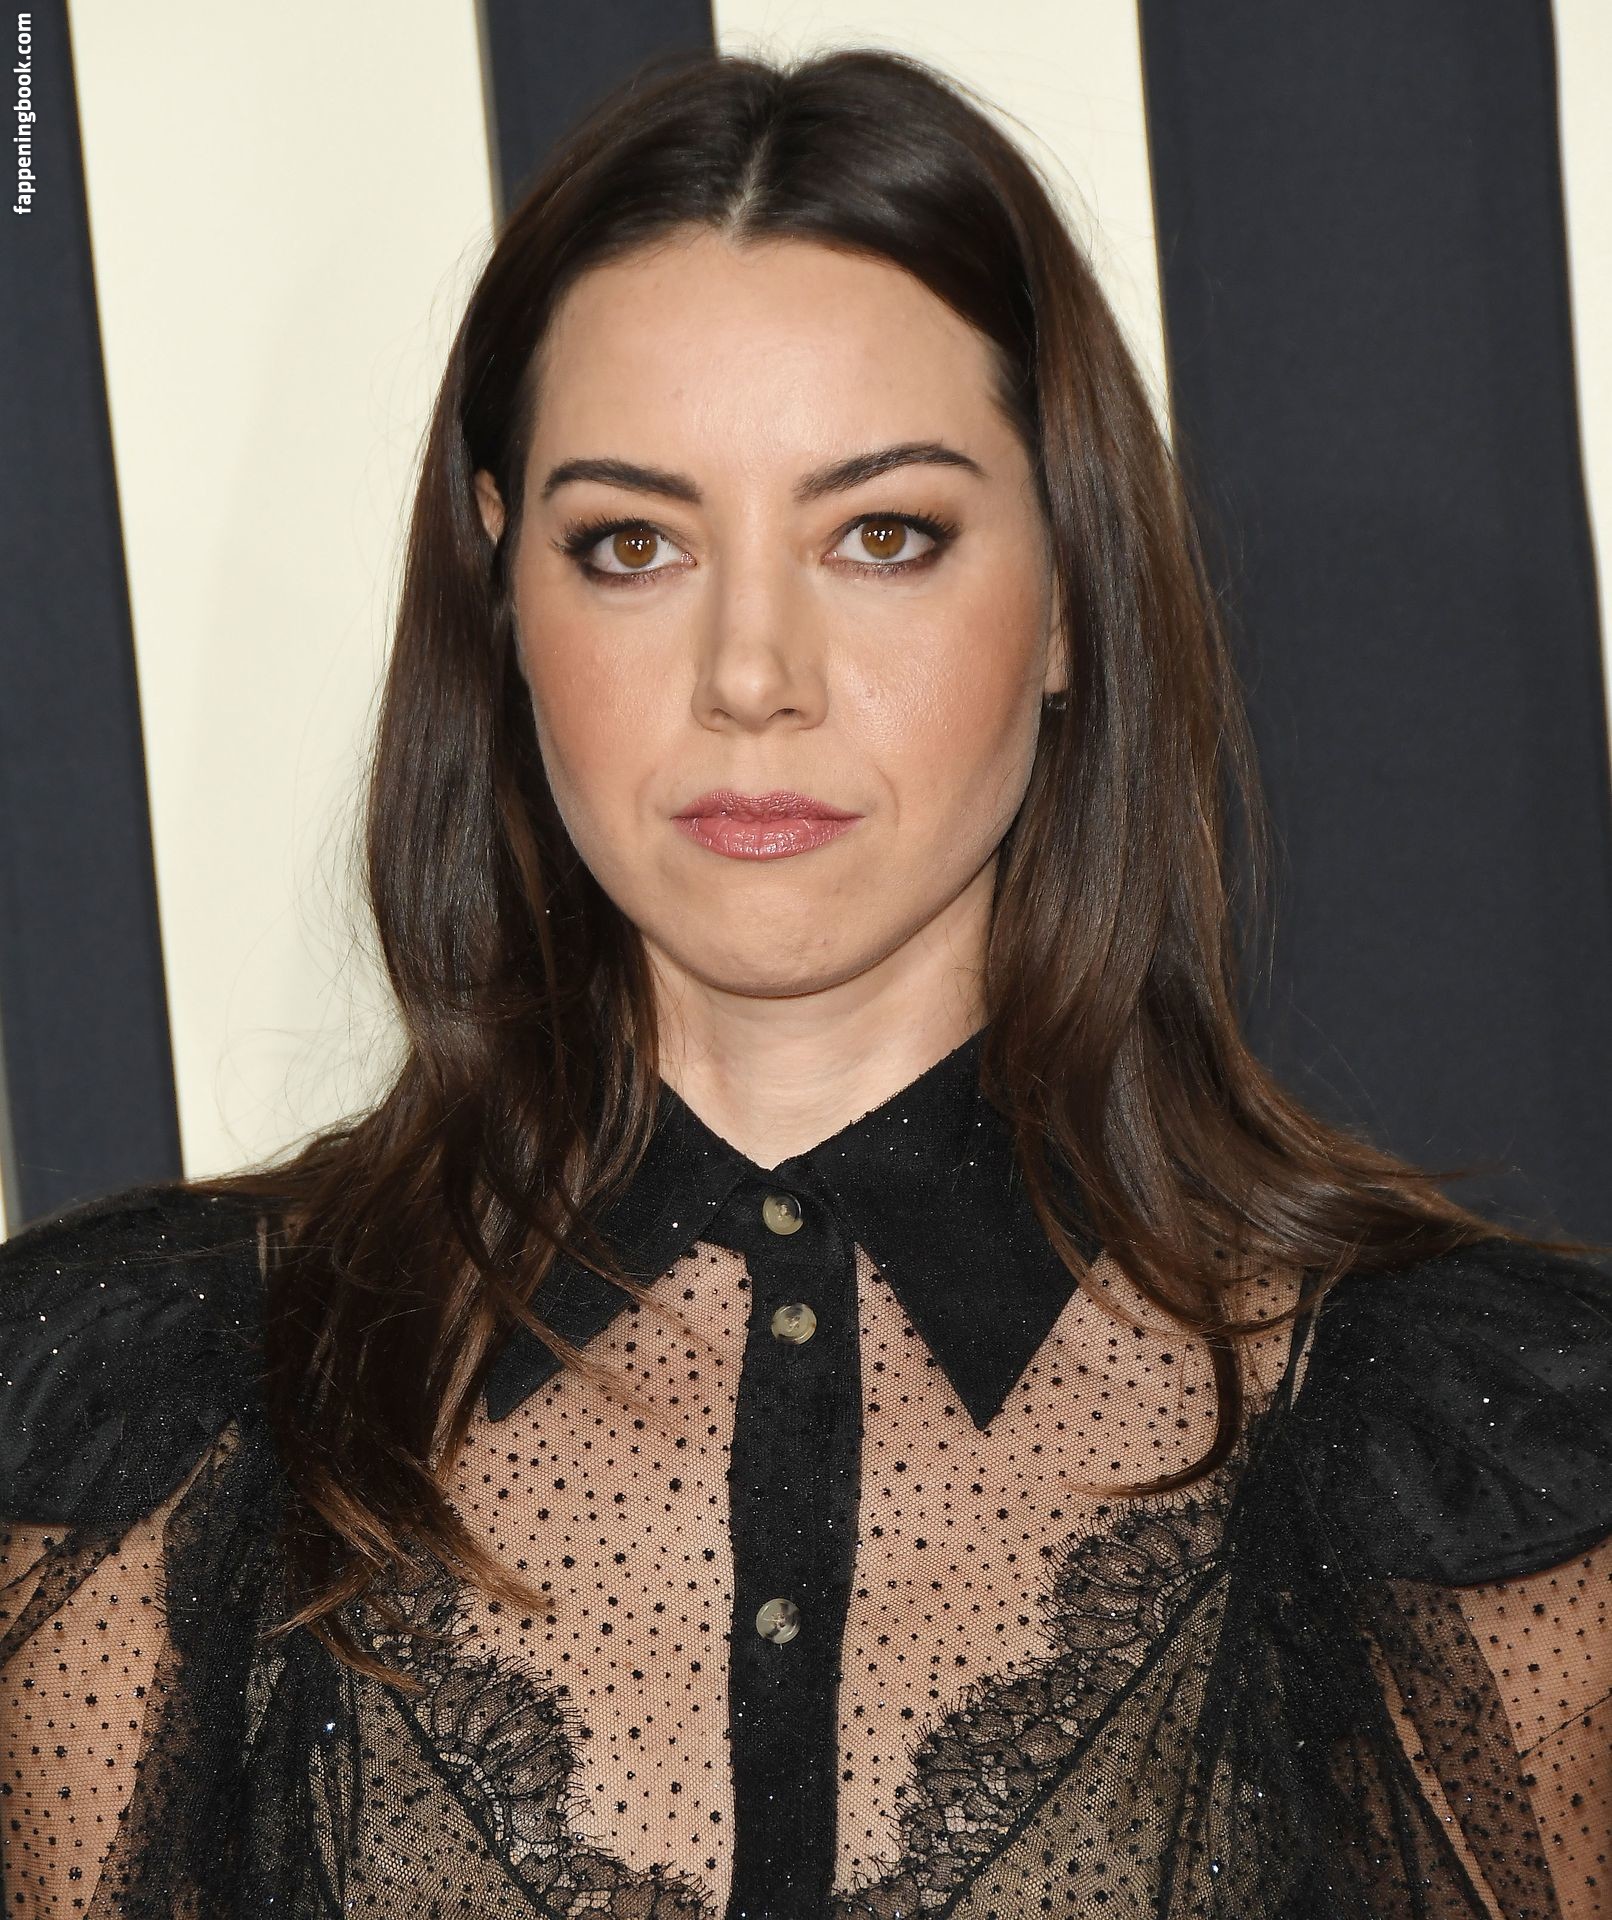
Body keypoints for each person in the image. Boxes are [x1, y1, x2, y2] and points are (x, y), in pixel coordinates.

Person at [2, 42, 1609, 1920]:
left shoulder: (1492, 1460)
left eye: (882, 535)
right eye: (633, 546)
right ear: (501, 591)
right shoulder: (123, 1421)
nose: (751, 674)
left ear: (1070, 593)